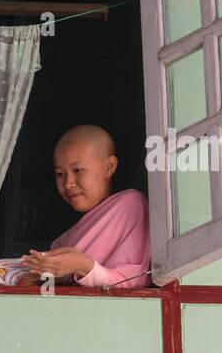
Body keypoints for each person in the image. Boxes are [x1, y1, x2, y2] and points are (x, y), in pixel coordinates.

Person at [20, 124, 150, 289]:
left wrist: (85, 266)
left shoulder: (130, 206)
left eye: (78, 170)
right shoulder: (62, 242)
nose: (68, 183)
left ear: (109, 166)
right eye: (60, 174)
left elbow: (134, 281)